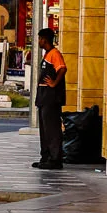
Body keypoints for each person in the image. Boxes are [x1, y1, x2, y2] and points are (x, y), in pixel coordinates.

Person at [34, 24, 67, 169]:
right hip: (43, 96)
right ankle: (46, 157)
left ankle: (55, 159)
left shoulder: (55, 54)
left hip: (51, 97)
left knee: (52, 128)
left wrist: (54, 83)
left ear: (44, 39)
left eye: (40, 39)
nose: (39, 42)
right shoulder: (47, 55)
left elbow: (62, 69)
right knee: (44, 129)